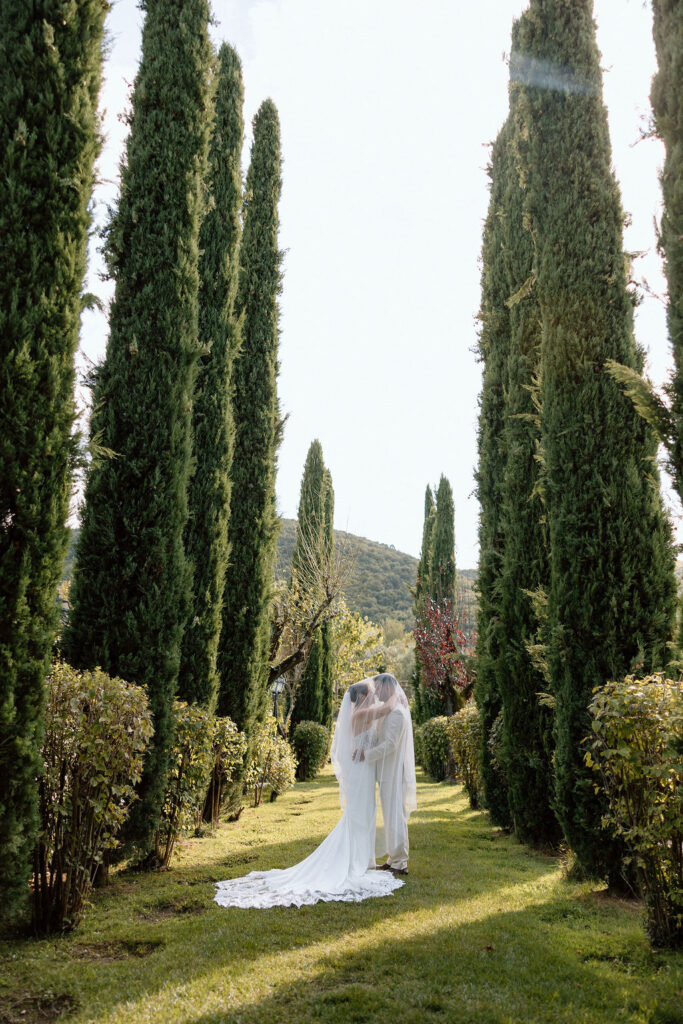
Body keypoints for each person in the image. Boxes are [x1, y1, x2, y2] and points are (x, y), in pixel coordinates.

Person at [213, 675, 416, 909]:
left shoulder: (378, 712)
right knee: (359, 817)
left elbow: (386, 722)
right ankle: (359, 861)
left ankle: (367, 860)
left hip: (369, 772)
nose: (375, 695)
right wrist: (396, 698)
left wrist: (396, 699)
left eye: (378, 690)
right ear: (361, 697)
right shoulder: (362, 714)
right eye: (371, 692)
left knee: (366, 816)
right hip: (362, 771)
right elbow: (386, 709)